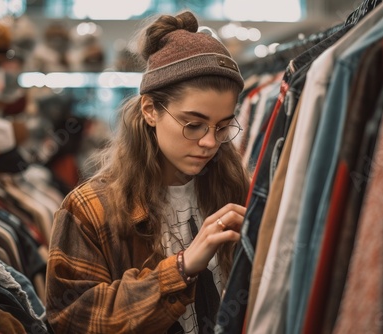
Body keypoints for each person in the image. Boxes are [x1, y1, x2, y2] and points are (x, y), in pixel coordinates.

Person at [45, 10, 251, 334]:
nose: (210, 142)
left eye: (223, 126)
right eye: (193, 125)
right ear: (150, 110)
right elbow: (72, 320)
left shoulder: (233, 188)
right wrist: (180, 269)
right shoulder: (89, 210)